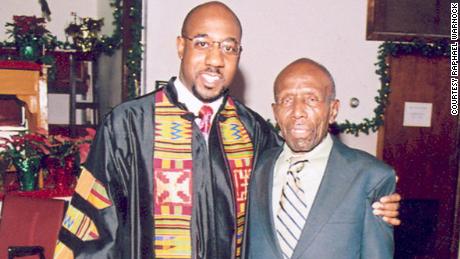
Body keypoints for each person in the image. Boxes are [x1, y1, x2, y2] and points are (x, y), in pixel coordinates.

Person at [53, 2, 400, 258]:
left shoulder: (252, 130)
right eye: (203, 43)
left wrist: (375, 204)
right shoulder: (129, 124)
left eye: (228, 47)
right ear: (180, 46)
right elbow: (93, 228)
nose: (215, 60)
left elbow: (304, 181)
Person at [243, 58, 396, 259]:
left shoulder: (370, 177)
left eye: (311, 99)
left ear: (333, 110)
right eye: (287, 100)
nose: (297, 112)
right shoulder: (254, 169)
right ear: (275, 112)